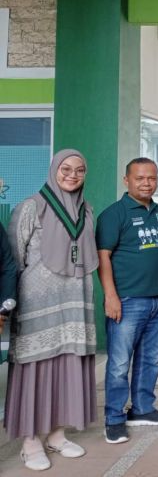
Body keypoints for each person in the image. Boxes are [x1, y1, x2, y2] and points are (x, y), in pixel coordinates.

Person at [5, 149, 97, 470]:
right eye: (66, 169)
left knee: (67, 365)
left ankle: (57, 434)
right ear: (54, 169)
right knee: (35, 370)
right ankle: (30, 441)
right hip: (37, 306)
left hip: (74, 305)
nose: (72, 175)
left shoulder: (87, 210)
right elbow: (13, 262)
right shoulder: (30, 208)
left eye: (80, 170)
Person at [97, 157, 158, 444]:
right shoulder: (113, 214)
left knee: (151, 359)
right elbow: (103, 257)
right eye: (140, 178)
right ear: (126, 180)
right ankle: (114, 418)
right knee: (119, 363)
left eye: (152, 178)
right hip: (127, 300)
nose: (146, 183)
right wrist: (111, 296)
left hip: (157, 300)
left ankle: (142, 408)